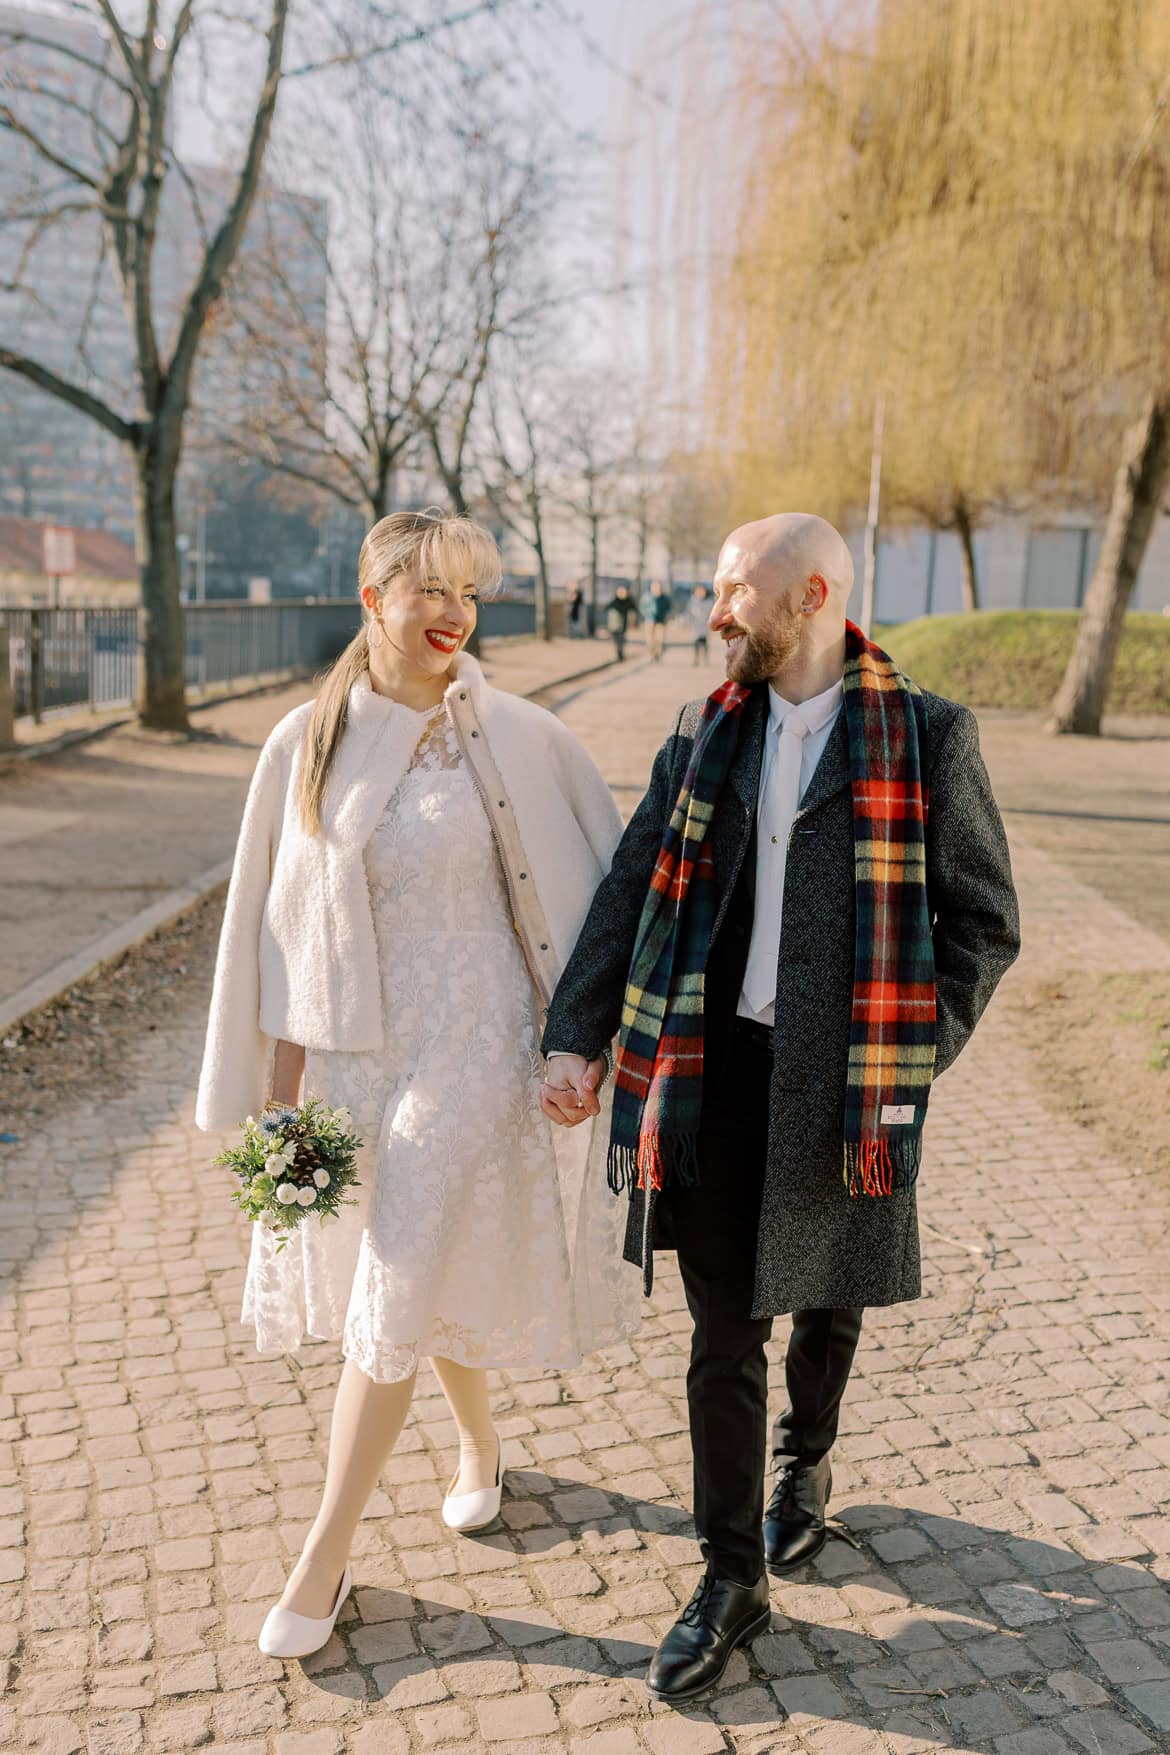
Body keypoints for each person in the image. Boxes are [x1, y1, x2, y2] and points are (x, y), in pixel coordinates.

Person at [539, 512, 1020, 1703]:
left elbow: (983, 921)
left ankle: (805, 1465)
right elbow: (631, 887)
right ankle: (730, 1573)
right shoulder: (704, 732)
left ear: (808, 595)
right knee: (721, 1332)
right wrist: (576, 1035)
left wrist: (909, 1055)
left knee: (826, 1284)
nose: (715, 611)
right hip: (706, 1075)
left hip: (849, 1077)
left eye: (732, 591)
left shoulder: (926, 737)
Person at [196, 509, 639, 1661]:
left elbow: (593, 902)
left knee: (397, 1267)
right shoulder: (306, 742)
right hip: (357, 1054)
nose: (455, 615)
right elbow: (283, 937)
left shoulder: (519, 735)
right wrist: (282, 1102)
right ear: (372, 599)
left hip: (475, 1043)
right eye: (431, 591)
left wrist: (576, 1047)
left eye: (472, 595)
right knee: (422, 1254)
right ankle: (482, 1449)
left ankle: (323, 1556)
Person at [604, 582, 637, 661]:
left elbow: (634, 609)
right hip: (614, 625)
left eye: (624, 592)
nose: (622, 593)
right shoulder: (614, 601)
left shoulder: (629, 600)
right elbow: (607, 608)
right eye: (620, 592)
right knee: (616, 639)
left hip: (623, 624)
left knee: (621, 639)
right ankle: (619, 653)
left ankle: (620, 653)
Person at [647, 579, 672, 661]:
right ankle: (652, 653)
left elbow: (669, 607)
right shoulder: (647, 597)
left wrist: (665, 615)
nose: (656, 589)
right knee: (650, 639)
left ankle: (658, 654)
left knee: (660, 639)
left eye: (658, 587)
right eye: (654, 587)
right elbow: (642, 607)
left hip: (661, 621)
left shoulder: (664, 598)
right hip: (649, 620)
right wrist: (647, 614)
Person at [687, 584, 713, 665]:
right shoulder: (692, 601)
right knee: (696, 643)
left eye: (702, 591)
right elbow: (689, 613)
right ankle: (696, 659)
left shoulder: (709, 601)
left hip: (704, 625)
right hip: (696, 625)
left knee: (704, 643)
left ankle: (705, 659)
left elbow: (711, 613)